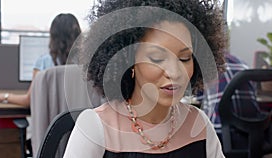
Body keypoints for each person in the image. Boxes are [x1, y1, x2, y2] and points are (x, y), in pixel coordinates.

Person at [63, 0, 227, 157]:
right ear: (129, 61)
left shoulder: (199, 125)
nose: (175, 72)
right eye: (157, 58)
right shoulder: (95, 127)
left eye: (185, 58)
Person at [0, 13, 81, 106]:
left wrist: (4, 96)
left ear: (53, 37)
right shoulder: (87, 65)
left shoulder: (43, 62)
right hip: (80, 119)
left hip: (50, 120)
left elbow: (28, 101)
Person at [197, 52, 259, 141]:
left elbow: (197, 97)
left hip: (219, 132)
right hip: (251, 132)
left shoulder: (206, 64)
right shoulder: (242, 63)